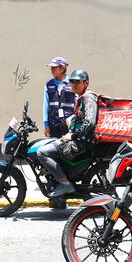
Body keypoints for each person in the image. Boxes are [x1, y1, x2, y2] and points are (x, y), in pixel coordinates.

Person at [37, 70, 97, 198]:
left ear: (86, 83)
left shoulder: (88, 98)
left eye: (77, 81)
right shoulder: (81, 98)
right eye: (71, 81)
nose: (73, 84)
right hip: (77, 139)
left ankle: (64, 184)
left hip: (80, 142)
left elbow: (90, 122)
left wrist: (72, 136)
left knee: (42, 152)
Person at [43, 57, 75, 139]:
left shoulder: (73, 84)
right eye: (51, 67)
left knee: (68, 148)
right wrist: (46, 124)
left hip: (69, 125)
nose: (51, 70)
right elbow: (45, 105)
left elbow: (77, 104)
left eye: (54, 67)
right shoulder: (49, 84)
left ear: (62, 68)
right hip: (53, 125)